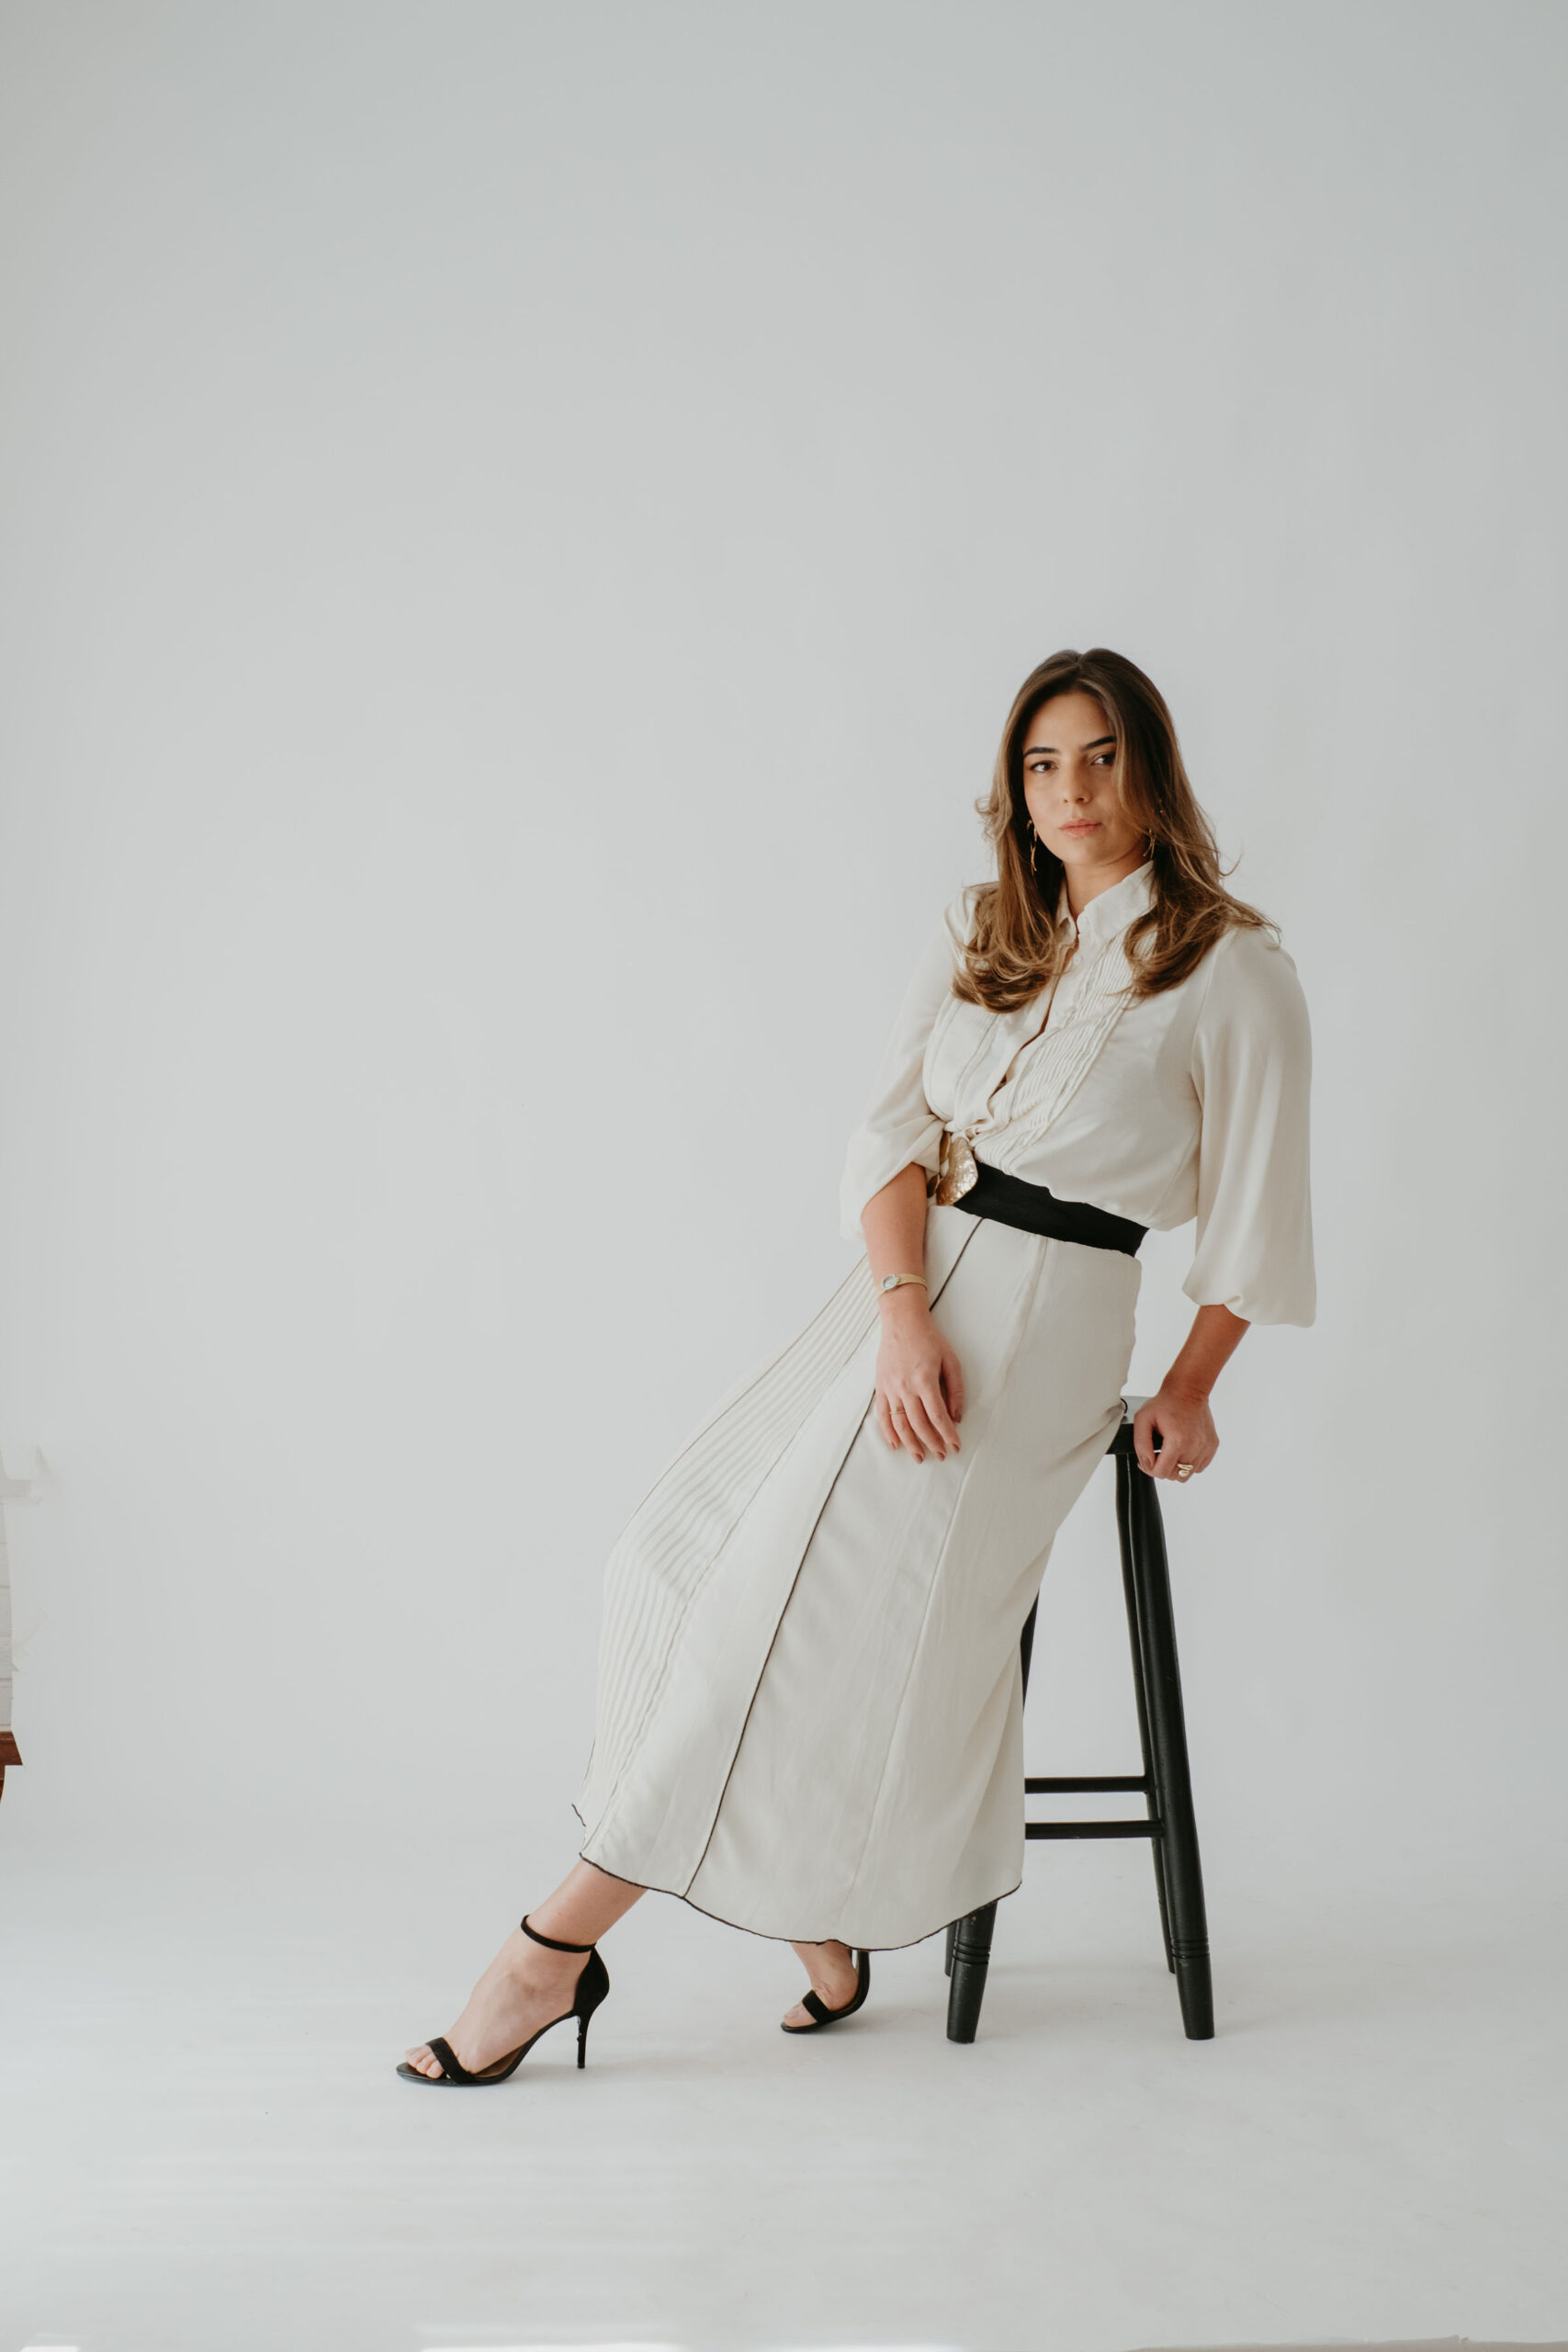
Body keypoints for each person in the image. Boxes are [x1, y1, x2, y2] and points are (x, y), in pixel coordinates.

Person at [399, 645, 1314, 2085]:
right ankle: (812, 1924)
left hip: (1044, 1322)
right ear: (1014, 786)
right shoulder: (985, 931)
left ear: (1151, 768)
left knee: (783, 1626)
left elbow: (1258, 1221)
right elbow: (889, 1136)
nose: (1072, 790)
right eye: (1042, 763)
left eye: (1102, 758)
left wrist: (1192, 1386)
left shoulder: (1230, 966)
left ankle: (546, 1954)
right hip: (903, 1294)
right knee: (665, 1563)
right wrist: (901, 1313)